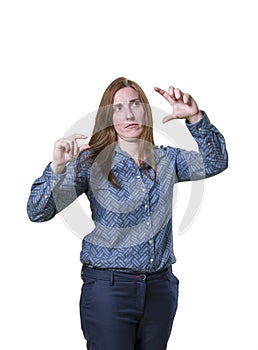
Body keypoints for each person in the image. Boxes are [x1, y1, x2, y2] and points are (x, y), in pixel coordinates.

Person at [27, 77, 228, 350]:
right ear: (108, 117)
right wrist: (57, 168)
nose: (129, 114)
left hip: (159, 290)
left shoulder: (166, 160)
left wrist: (195, 117)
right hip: (109, 292)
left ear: (146, 110)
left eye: (135, 105)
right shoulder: (90, 161)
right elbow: (37, 211)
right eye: (118, 108)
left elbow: (216, 161)